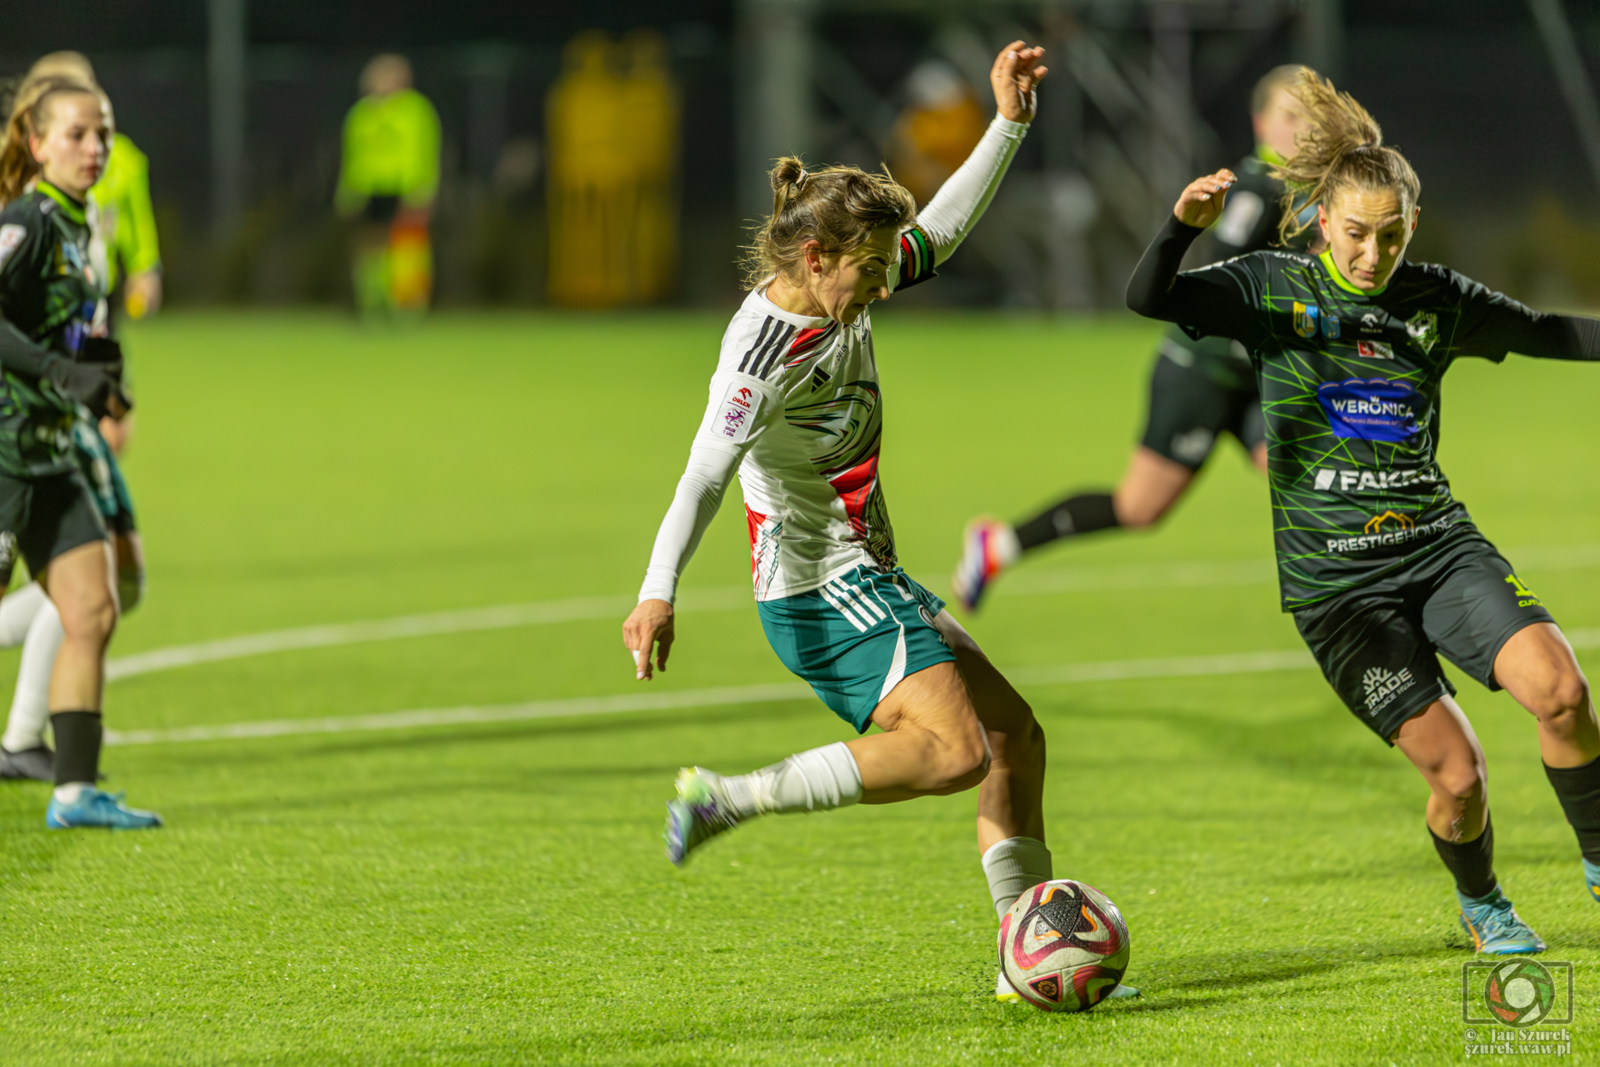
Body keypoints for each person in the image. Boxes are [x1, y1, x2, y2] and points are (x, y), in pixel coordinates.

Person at [625, 43, 1129, 1004]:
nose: (885, 288)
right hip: (819, 587)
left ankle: (1020, 956)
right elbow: (701, 476)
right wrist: (658, 591)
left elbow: (939, 229)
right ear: (813, 259)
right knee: (956, 751)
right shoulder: (760, 356)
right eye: (867, 272)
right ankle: (723, 798)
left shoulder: (848, 278)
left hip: (866, 573)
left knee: (1016, 737)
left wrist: (1010, 123)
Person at [1126, 70, 1600, 953]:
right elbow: (1150, 298)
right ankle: (1485, 903)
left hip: (1440, 548)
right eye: (1355, 234)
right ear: (1319, 222)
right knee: (1458, 779)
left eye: (1390, 236)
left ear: (1411, 225)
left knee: (1564, 693)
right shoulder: (1272, 288)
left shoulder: (1435, 302)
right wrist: (1177, 232)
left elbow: (1548, 332)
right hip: (1339, 587)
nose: (1371, 255)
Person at [952, 65, 1314, 611]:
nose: (1300, 129)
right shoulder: (1256, 189)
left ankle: (1360, 604)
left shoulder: (1312, 190)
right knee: (1139, 508)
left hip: (1260, 373)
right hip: (1202, 372)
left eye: (1309, 116)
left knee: (1306, 478)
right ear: (1261, 122)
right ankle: (999, 543)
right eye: (1288, 116)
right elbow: (1224, 266)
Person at [0, 75, 157, 827]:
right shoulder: (27, 222)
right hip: (2, 455)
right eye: (77, 135)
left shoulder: (78, 221)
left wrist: (96, 367)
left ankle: (72, 792)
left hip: (52, 451)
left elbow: (58, 325)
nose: (95, 147)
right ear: (36, 145)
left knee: (90, 610)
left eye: (104, 134)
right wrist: (58, 368)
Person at [335, 54, 440, 317]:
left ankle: (407, 304)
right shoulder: (360, 113)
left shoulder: (416, 109)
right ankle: (372, 301)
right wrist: (347, 192)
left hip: (406, 186)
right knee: (370, 248)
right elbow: (351, 155)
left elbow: (427, 150)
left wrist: (424, 188)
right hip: (368, 187)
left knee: (408, 248)